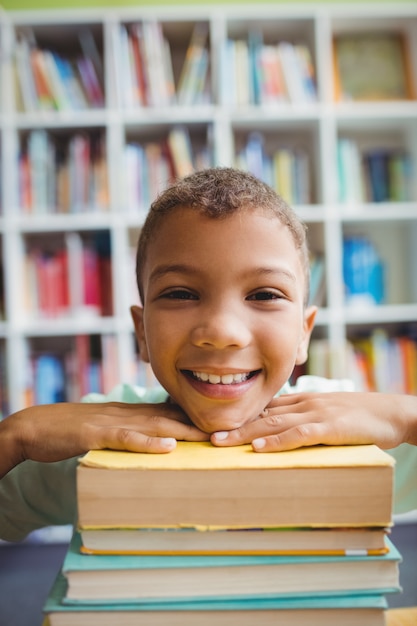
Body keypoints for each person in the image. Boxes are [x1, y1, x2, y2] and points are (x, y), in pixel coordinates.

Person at [1, 167, 416, 542]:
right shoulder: (94, 440)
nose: (222, 333)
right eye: (181, 293)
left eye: (265, 294)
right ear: (142, 332)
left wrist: (407, 417)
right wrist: (16, 436)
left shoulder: (356, 430)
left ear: (303, 333)